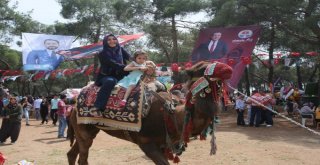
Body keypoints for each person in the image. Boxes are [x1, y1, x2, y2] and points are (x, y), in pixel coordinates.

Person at [93, 34, 131, 117]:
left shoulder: (121, 49)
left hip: (122, 74)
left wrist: (141, 62)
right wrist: (129, 67)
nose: (112, 41)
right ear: (105, 42)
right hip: (107, 76)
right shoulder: (102, 53)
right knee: (110, 82)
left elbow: (130, 57)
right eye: (109, 39)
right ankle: (97, 107)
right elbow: (113, 64)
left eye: (114, 39)